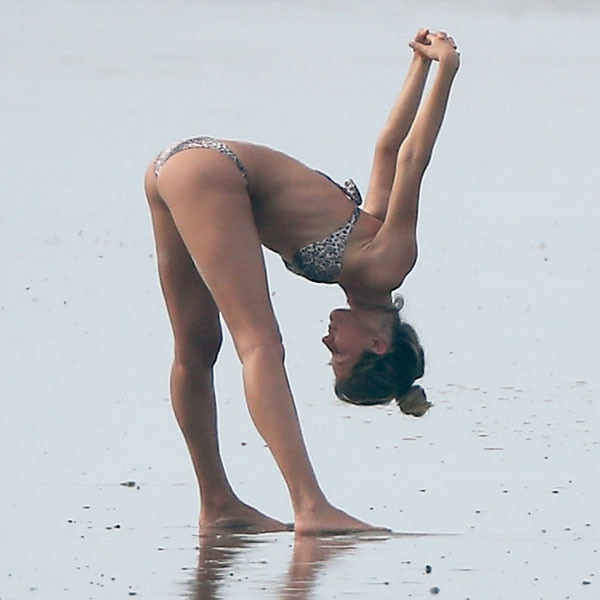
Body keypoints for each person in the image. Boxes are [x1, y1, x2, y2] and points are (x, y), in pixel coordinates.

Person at [144, 29, 460, 535]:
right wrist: (443, 68)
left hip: (177, 168)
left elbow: (384, 149)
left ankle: (218, 502)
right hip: (209, 173)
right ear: (378, 343)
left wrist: (417, 65)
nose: (328, 342)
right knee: (260, 346)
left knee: (197, 347)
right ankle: (310, 505)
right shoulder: (391, 263)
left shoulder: (368, 252)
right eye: (339, 355)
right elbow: (407, 159)